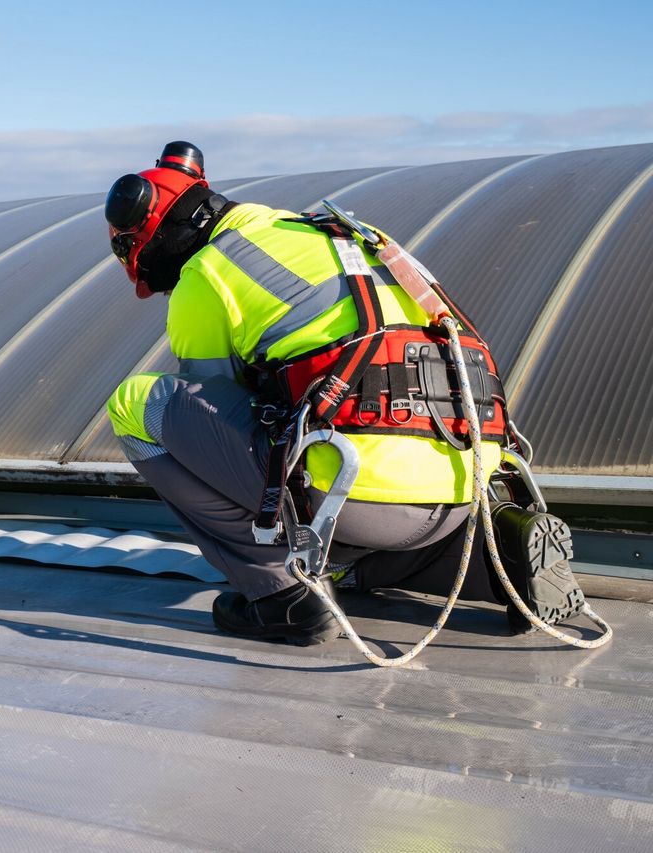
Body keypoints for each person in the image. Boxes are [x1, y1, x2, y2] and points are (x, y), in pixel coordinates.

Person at [103, 142, 585, 645]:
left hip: (353, 493)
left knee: (141, 404)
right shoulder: (351, 234)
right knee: (363, 537)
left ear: (150, 234)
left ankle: (281, 595)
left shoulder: (207, 273)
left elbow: (212, 421)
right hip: (464, 491)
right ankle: (495, 554)